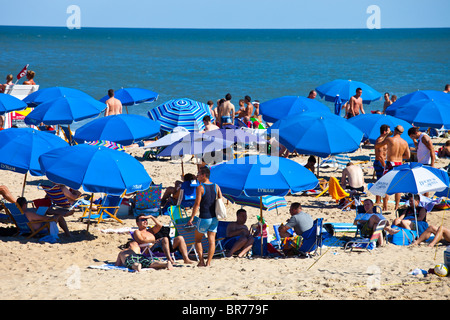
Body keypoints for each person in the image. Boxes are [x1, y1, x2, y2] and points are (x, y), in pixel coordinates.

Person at [187, 166, 222, 267]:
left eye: (198, 174)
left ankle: (201, 261)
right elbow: (220, 199)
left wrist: (192, 217)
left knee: (198, 239)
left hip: (204, 217)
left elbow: (197, 204)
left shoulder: (200, 187)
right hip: (214, 218)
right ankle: (209, 263)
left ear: (203, 175)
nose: (197, 176)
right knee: (212, 241)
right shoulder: (216, 186)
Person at [375, 125, 411, 211]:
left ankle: (385, 207)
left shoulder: (389, 139)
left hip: (390, 163)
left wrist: (386, 136)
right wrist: (400, 157)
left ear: (395, 130)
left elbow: (377, 146)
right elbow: (408, 156)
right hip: (399, 163)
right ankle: (397, 206)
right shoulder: (405, 142)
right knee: (398, 186)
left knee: (386, 184)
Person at [374, 124, 389, 209]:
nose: (389, 132)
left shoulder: (385, 140)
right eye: (388, 131)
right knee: (381, 182)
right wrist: (385, 166)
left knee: (380, 182)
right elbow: (380, 156)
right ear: (384, 132)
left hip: (383, 161)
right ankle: (380, 201)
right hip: (380, 162)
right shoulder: (379, 141)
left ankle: (378, 200)